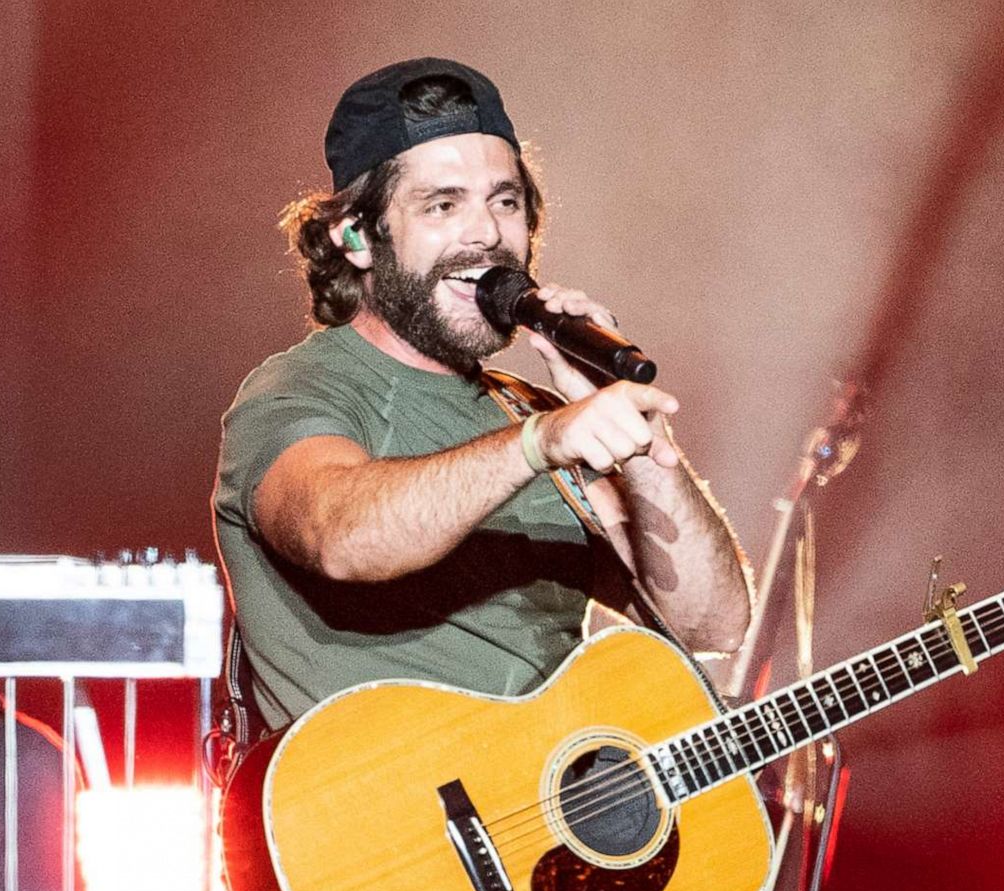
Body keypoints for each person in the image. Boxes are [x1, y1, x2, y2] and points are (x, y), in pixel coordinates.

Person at [211, 57, 752, 735]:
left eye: (505, 200)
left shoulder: (534, 412)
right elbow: (339, 537)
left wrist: (639, 437)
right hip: (376, 826)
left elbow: (713, 623)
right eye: (443, 204)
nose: (487, 233)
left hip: (537, 830)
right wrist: (537, 446)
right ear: (355, 237)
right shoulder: (297, 390)